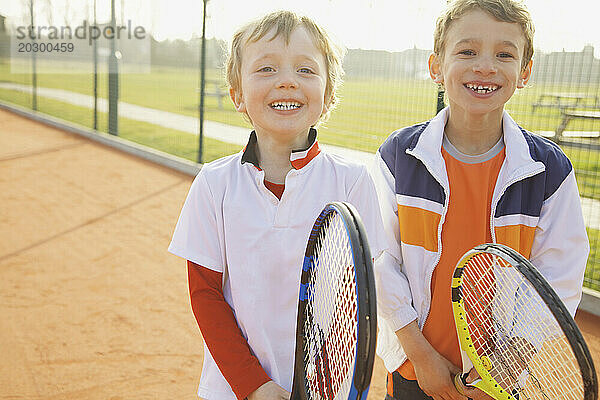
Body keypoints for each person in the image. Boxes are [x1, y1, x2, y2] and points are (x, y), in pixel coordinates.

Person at [371, 1, 589, 399]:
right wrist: (420, 357)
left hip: (501, 378)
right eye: (467, 51)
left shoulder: (550, 171)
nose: (485, 66)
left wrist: (510, 363)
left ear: (524, 72)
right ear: (436, 67)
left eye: (504, 54)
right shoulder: (397, 156)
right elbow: (381, 261)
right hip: (414, 367)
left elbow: (558, 275)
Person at [168, 10, 386, 400]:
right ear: (237, 96)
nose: (287, 80)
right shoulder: (214, 183)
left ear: (329, 94)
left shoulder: (353, 181)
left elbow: (354, 304)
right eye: (266, 69)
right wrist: (256, 387)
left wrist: (322, 385)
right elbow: (205, 295)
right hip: (233, 389)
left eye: (305, 70)